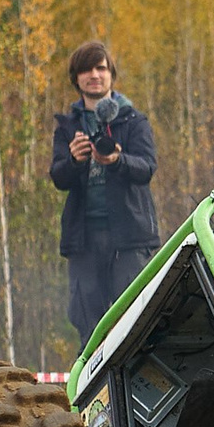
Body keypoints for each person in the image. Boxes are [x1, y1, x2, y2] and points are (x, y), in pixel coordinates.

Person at [51, 40, 160, 340]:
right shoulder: (67, 126)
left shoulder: (134, 120)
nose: (94, 75)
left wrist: (117, 160)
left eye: (100, 68)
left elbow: (147, 168)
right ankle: (91, 387)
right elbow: (58, 177)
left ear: (111, 74)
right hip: (83, 237)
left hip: (130, 236)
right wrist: (74, 160)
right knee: (88, 323)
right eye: (86, 69)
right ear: (76, 78)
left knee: (136, 320)